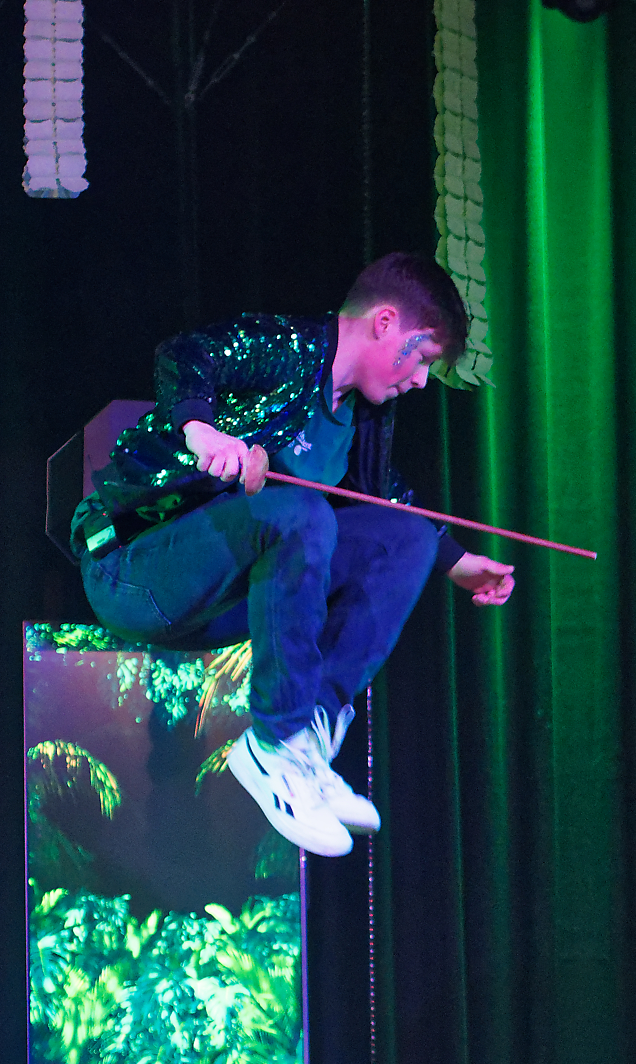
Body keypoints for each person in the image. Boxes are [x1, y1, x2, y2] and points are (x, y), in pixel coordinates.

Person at [71, 252, 517, 858]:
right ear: (385, 322)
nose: (420, 381)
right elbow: (185, 354)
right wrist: (202, 431)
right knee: (301, 513)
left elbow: (389, 501)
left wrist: (459, 565)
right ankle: (275, 744)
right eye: (423, 359)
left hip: (225, 602)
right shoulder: (288, 349)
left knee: (406, 537)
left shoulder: (361, 419)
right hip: (133, 569)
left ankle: (307, 735)